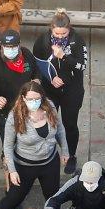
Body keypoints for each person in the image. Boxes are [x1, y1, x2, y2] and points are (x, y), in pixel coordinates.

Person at [0, 80, 68, 209]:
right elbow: (7, 146)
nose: (34, 102)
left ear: (42, 97)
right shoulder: (15, 116)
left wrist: (65, 151)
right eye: (30, 99)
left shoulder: (50, 107)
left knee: (53, 199)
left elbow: (60, 129)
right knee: (13, 199)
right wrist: (13, 171)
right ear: (23, 98)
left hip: (50, 163)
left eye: (37, 99)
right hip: (25, 166)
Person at [34, 10, 86, 174]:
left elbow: (81, 66)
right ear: (51, 29)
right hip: (50, 90)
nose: (60, 36)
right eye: (57, 33)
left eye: (64, 33)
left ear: (69, 30)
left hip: (72, 89)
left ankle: (71, 155)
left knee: (70, 124)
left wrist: (63, 56)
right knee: (50, 122)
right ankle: (50, 152)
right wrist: (49, 79)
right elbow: (37, 64)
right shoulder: (43, 40)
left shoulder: (77, 41)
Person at [0, 28, 40, 143]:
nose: (10, 50)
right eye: (7, 47)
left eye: (13, 47)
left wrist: (37, 79)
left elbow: (36, 70)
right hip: (5, 111)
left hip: (27, 107)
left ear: (19, 45)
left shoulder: (26, 54)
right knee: (8, 141)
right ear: (1, 46)